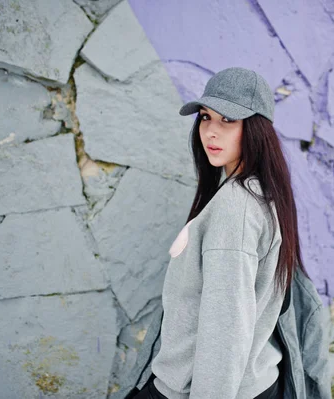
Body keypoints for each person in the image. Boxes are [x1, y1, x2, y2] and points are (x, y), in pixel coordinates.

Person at [132, 67, 311, 399]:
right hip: (247, 382)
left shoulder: (236, 209)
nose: (211, 132)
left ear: (256, 128)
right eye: (205, 117)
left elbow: (224, 333)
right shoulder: (257, 193)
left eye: (228, 120)